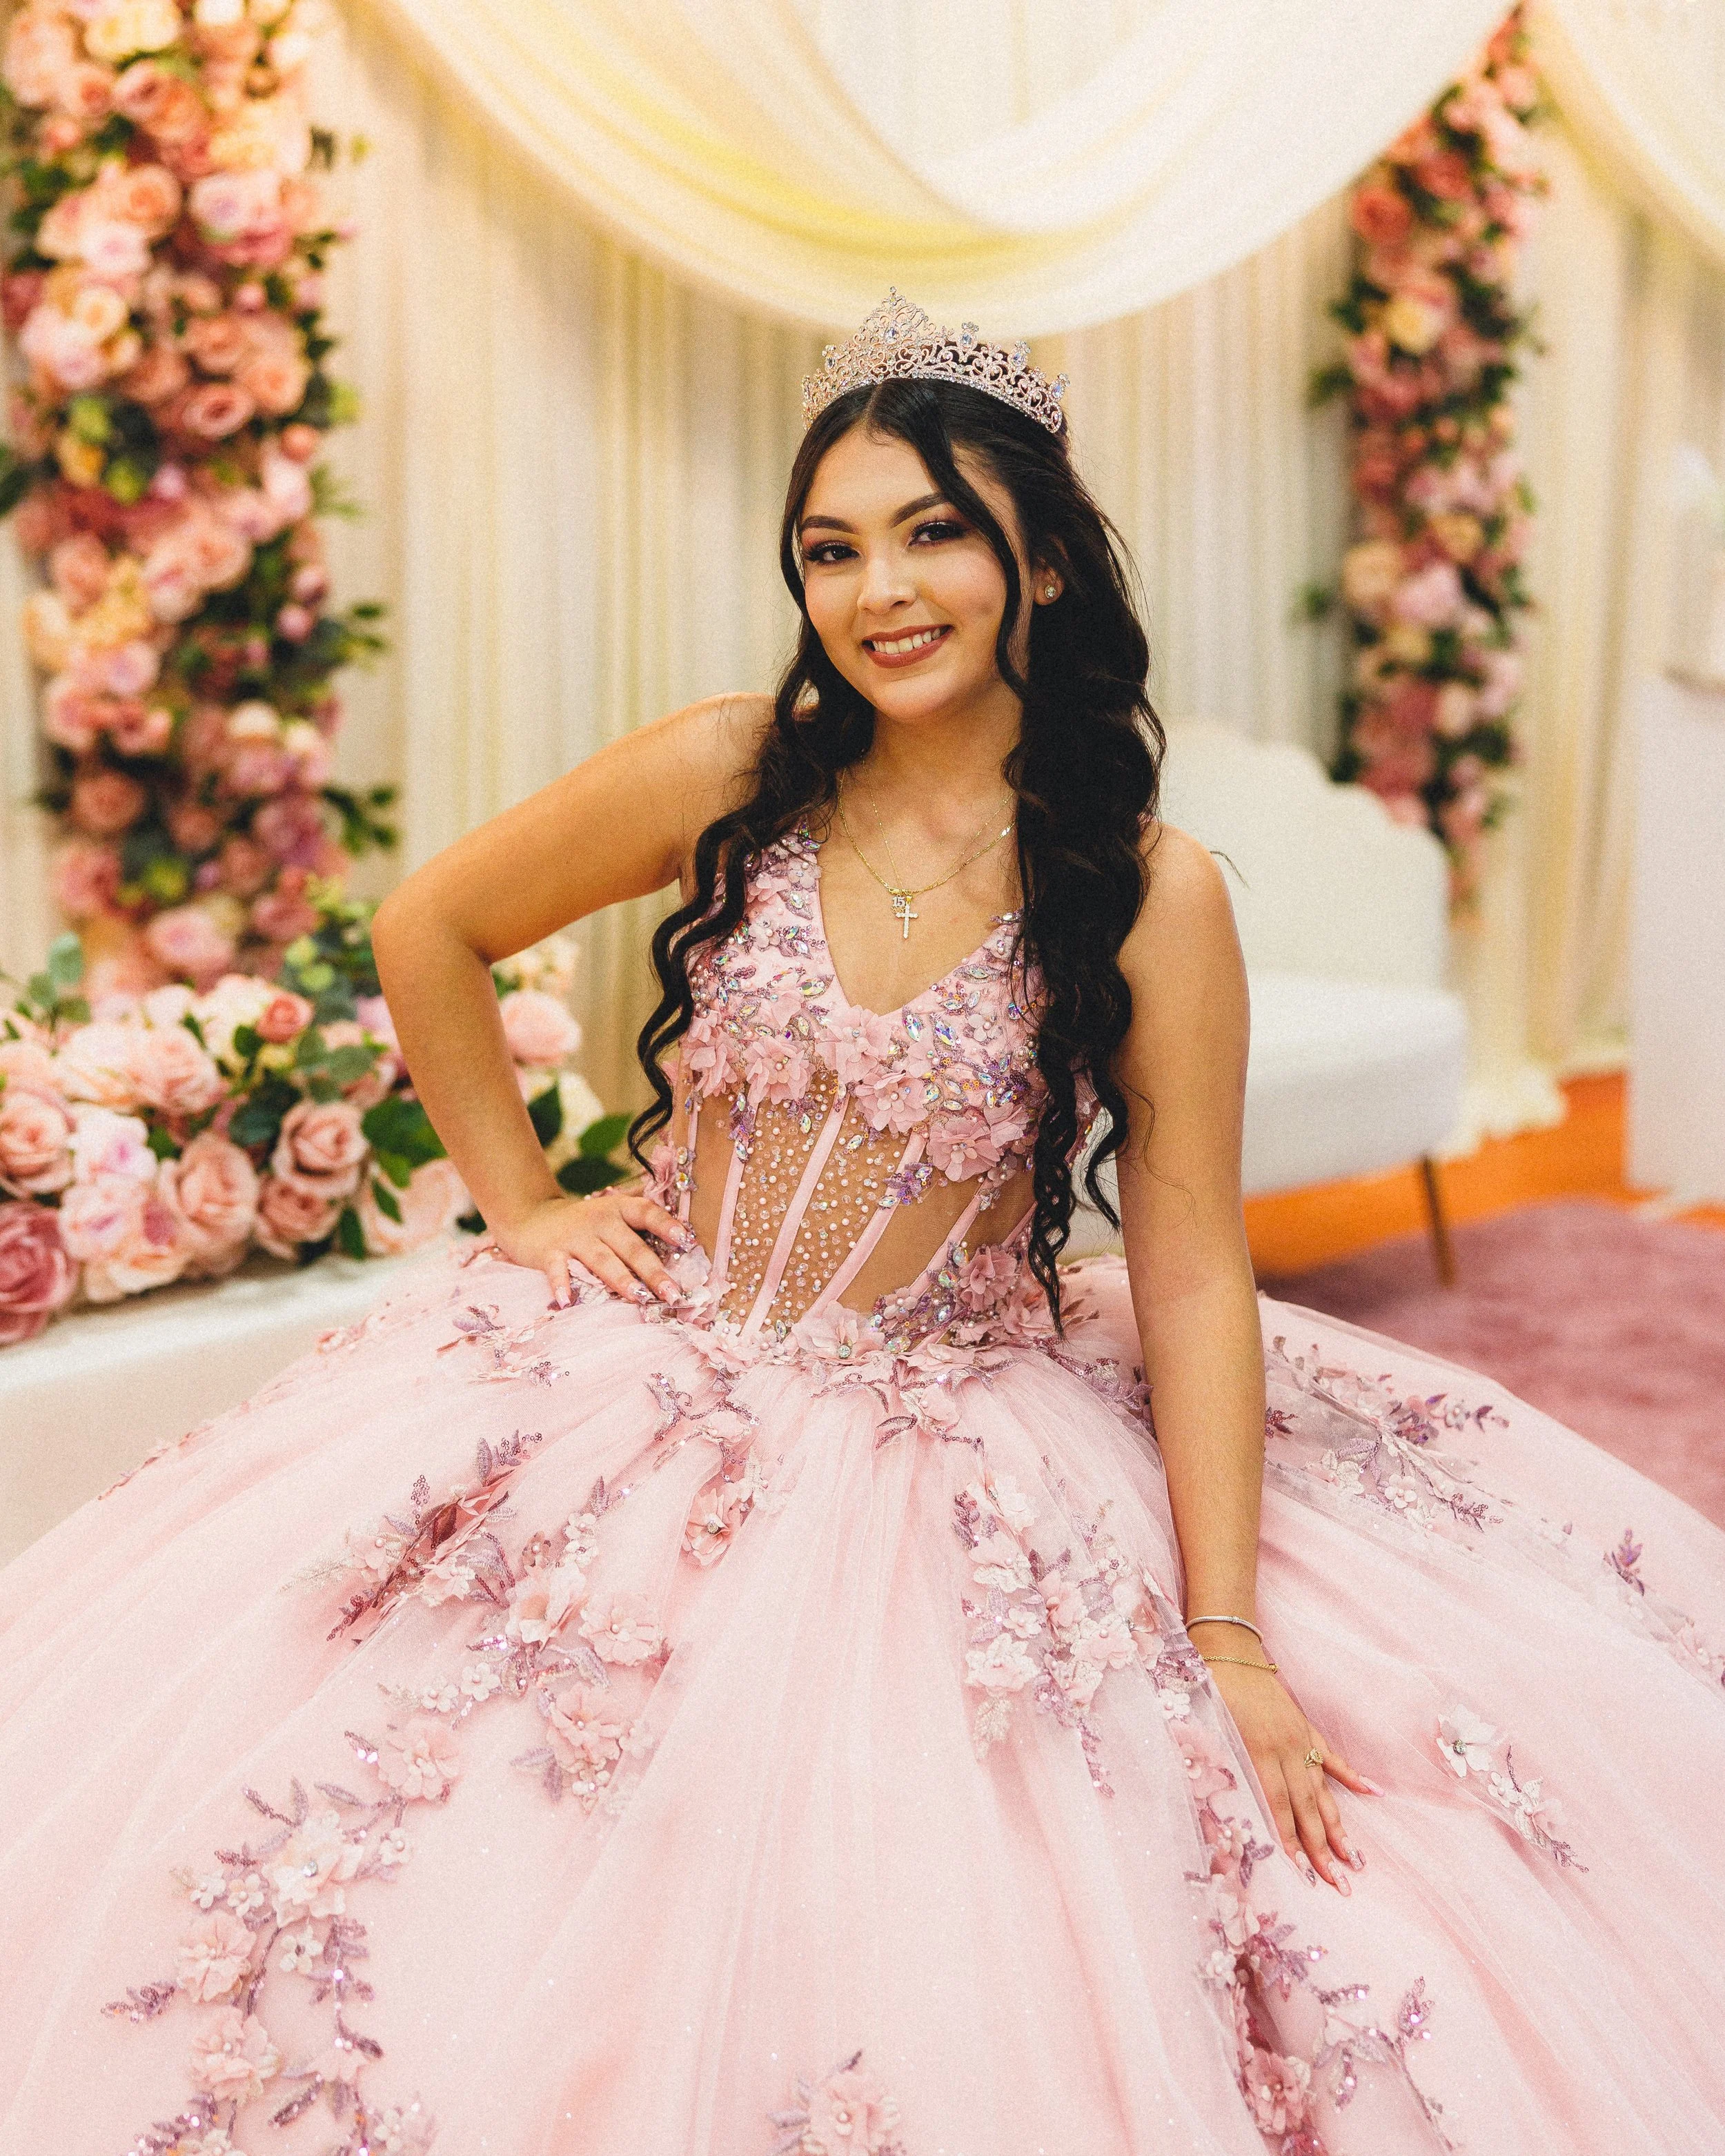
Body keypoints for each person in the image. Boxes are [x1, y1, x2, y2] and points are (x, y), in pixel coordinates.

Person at [2, 291, 1722, 2156]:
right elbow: (429, 924)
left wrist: (1222, 1625)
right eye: (830, 547)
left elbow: (1191, 1257)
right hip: (635, 1364)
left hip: (947, 1424)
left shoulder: (1152, 890)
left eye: (929, 534)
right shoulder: (730, 773)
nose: (875, 589)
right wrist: (519, 1192)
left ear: (1038, 560)